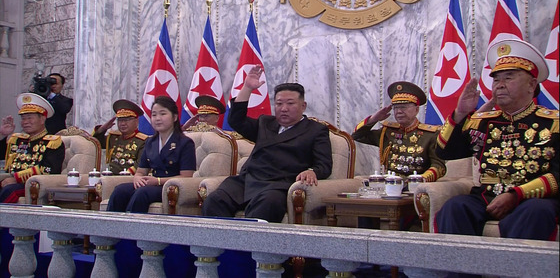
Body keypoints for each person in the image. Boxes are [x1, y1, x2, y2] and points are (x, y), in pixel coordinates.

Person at [435, 38, 559, 241]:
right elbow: (445, 152)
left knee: (535, 212)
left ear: (531, 84)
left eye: (508, 78)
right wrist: (460, 113)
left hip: (532, 199)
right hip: (487, 197)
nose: (500, 85)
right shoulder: (482, 121)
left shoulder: (553, 123)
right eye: (496, 80)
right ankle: (461, 271)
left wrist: (515, 195)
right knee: (455, 207)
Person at [201, 65, 333, 223]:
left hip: (278, 185)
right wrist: (247, 88)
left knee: (267, 206)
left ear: (303, 106)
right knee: (214, 201)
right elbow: (236, 120)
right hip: (247, 180)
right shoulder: (265, 123)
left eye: (290, 104)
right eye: (279, 104)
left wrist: (312, 171)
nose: (284, 109)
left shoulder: (316, 130)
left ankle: (250, 247)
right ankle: (220, 247)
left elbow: (324, 165)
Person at [107, 96, 196, 213]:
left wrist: (158, 181)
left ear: (174, 117)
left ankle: (133, 229)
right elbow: (140, 171)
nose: (157, 118)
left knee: (142, 193)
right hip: (151, 184)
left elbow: (186, 176)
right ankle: (109, 228)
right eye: (154, 115)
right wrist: (137, 178)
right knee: (120, 191)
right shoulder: (150, 142)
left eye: (163, 114)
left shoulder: (185, 143)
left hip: (169, 186)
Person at [352, 81, 446, 182]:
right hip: (390, 185)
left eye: (404, 107)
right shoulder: (387, 132)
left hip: (417, 187)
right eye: (396, 107)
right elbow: (357, 136)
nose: (399, 111)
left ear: (417, 109)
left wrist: (420, 179)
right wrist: (373, 119)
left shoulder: (430, 135)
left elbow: (439, 166)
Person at [0, 93, 65, 203]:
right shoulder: (17, 140)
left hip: (32, 185)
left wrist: (16, 178)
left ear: (42, 119)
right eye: (23, 118)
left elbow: (48, 170)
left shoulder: (52, 142)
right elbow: (3, 158)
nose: (25, 122)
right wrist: (2, 135)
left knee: (9, 191)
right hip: (10, 181)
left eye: (30, 118)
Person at [93, 99, 148, 174]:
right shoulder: (114, 138)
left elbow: (140, 164)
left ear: (136, 121)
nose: (123, 123)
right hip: (111, 177)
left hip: (130, 178)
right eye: (120, 120)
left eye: (127, 120)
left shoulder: (143, 141)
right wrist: (102, 129)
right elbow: (95, 143)